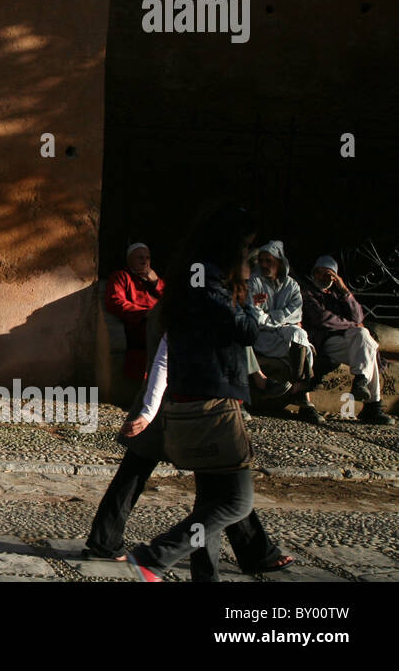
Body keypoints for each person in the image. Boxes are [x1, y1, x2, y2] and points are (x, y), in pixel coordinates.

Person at [125, 203, 267, 582]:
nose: (249, 256)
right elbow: (246, 331)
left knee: (210, 502)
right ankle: (155, 556)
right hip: (212, 405)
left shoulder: (192, 277)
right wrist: (249, 299)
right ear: (230, 244)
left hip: (197, 399)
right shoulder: (208, 281)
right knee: (237, 501)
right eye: (247, 247)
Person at [85, 331, 294, 577]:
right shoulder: (198, 304)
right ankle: (148, 553)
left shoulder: (205, 303)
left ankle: (249, 554)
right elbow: (165, 355)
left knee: (218, 493)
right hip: (188, 408)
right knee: (224, 494)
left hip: (191, 406)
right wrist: (149, 411)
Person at [302, 255, 394, 426]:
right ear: (314, 273)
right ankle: (373, 407)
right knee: (368, 345)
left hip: (351, 343)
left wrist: (345, 290)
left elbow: (359, 316)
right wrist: (352, 325)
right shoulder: (308, 293)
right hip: (327, 343)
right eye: (319, 273)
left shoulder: (339, 295)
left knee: (363, 336)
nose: (322, 278)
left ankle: (361, 380)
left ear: (335, 277)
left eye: (327, 274)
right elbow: (322, 319)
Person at [248, 240, 321, 424]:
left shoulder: (292, 286)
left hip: (282, 334)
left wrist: (269, 316)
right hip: (260, 335)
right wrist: (273, 317)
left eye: (268, 261)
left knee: (300, 334)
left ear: (279, 262)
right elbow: (254, 314)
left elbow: (295, 314)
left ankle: (300, 389)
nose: (264, 265)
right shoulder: (255, 281)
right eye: (261, 261)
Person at [104, 243, 165, 383]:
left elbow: (171, 300)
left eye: (148, 258)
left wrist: (156, 283)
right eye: (140, 257)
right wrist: (145, 313)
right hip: (140, 325)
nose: (145, 261)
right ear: (130, 260)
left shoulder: (154, 279)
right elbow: (115, 302)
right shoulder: (121, 276)